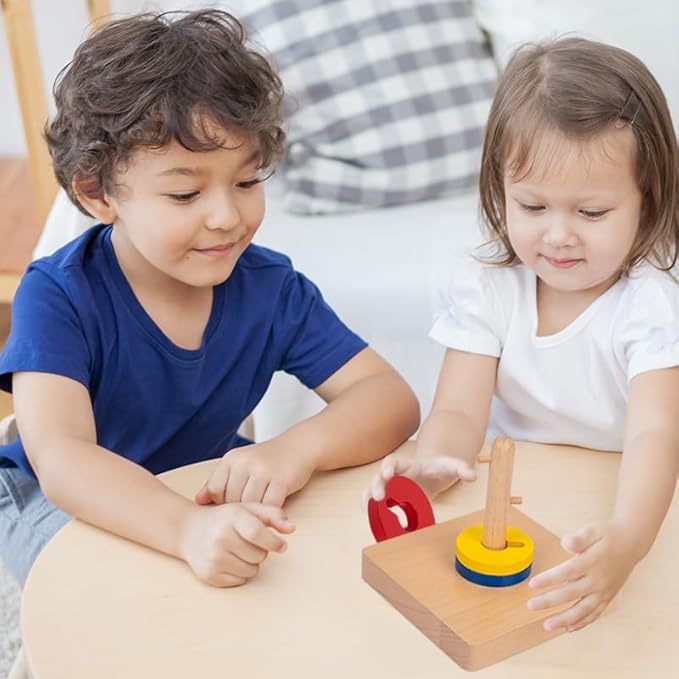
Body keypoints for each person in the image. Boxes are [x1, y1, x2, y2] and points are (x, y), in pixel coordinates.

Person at [0, 9, 420, 588]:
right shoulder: (59, 293)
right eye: (185, 193)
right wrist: (183, 529)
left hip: (193, 480)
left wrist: (294, 450)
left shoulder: (271, 288)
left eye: (246, 182)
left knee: (294, 575)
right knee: (109, 596)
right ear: (98, 195)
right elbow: (64, 460)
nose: (226, 216)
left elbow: (389, 397)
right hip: (50, 496)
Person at [367, 37, 679, 632]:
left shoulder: (650, 305)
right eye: (533, 207)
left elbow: (656, 436)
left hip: (628, 501)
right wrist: (433, 465)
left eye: (591, 213)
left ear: (649, 198)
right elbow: (458, 412)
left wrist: (627, 542)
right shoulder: (488, 287)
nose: (558, 236)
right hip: (520, 497)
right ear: (499, 187)